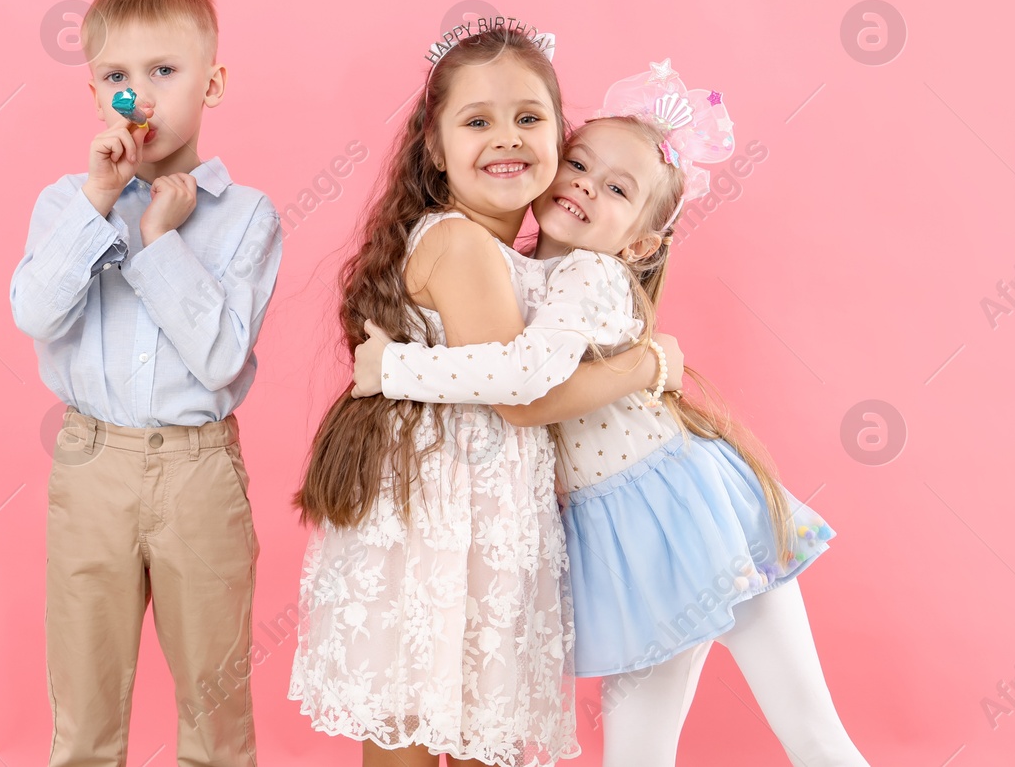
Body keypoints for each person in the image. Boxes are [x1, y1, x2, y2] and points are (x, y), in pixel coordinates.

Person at [353, 61, 868, 766]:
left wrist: (396, 368)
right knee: (639, 755)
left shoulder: (591, 276)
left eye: (617, 188)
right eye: (581, 164)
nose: (585, 187)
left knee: (810, 732)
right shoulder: (523, 271)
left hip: (692, 513)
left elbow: (526, 390)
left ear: (640, 245)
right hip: (626, 537)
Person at [10, 0, 282, 767]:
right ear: (95, 95)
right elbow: (34, 310)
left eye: (164, 71)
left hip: (199, 471)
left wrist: (162, 240)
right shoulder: (68, 203)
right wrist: (103, 204)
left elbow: (223, 356)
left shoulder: (246, 216)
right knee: (85, 713)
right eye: (117, 76)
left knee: (215, 707)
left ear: (213, 82)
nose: (141, 95)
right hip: (93, 462)